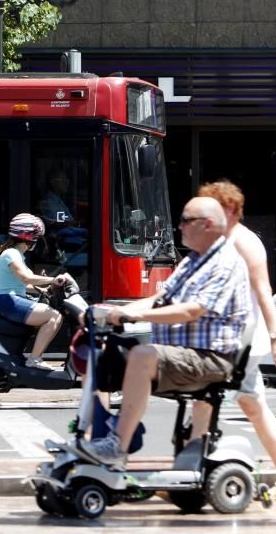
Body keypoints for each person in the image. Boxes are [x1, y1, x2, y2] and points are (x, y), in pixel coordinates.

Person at [75, 196, 250, 468]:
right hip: (184, 355)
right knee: (107, 354)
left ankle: (117, 445)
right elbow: (160, 299)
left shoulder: (225, 263)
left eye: (185, 220)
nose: (179, 227)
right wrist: (111, 311)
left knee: (143, 355)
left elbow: (192, 310)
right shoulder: (193, 261)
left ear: (207, 225)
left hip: (210, 358)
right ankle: (90, 434)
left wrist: (135, 315)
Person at [190, 180, 276, 500]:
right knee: (251, 404)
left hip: (241, 339)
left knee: (205, 400)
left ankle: (191, 469)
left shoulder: (244, 242)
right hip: (228, 337)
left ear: (230, 210)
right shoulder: (219, 240)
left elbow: (263, 290)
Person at [0, 213, 66, 369]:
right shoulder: (11, 254)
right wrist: (52, 280)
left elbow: (22, 284)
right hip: (8, 300)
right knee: (54, 316)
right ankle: (34, 359)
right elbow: (26, 278)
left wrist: (44, 289)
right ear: (28, 236)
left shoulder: (16, 254)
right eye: (36, 236)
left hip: (11, 298)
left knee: (46, 316)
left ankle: (23, 355)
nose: (37, 240)